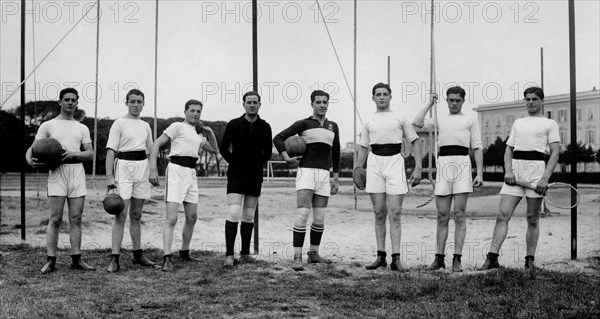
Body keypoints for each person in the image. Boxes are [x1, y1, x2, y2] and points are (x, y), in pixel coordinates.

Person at [478, 87, 560, 270]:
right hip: (515, 172)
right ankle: (492, 258)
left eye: (534, 99)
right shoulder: (519, 123)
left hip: (536, 172)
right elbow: (509, 149)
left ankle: (529, 260)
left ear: (541, 101)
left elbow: (555, 153)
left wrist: (545, 178)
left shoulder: (550, 124)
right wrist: (508, 170)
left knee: (532, 218)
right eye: (527, 99)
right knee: (502, 215)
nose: (530, 102)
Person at [354, 83, 425, 271]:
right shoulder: (369, 120)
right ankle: (380, 256)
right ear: (373, 98)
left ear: (390, 97)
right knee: (379, 212)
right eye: (378, 94)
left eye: (385, 94)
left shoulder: (400, 117)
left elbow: (415, 141)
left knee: (395, 212)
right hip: (375, 163)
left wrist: (418, 168)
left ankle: (396, 258)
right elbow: (363, 147)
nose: (382, 97)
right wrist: (357, 169)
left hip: (395, 162)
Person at [412, 86, 483, 272]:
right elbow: (416, 123)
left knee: (459, 214)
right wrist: (429, 102)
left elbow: (477, 146)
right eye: (450, 100)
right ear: (446, 100)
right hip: (443, 165)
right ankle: (439, 258)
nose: (454, 103)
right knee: (442, 215)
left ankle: (457, 259)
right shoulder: (439, 119)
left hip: (462, 164)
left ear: (463, 101)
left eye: (457, 100)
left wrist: (480, 173)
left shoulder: (470, 119)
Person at [25, 87, 95, 273]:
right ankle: (51, 260)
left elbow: (90, 154)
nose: (70, 102)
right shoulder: (48, 125)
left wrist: (74, 153)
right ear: (60, 102)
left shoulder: (82, 127)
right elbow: (32, 149)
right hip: (57, 173)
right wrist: (29, 161)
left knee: (76, 218)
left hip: (76, 173)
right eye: (67, 99)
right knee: (55, 218)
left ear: (77, 103)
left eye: (73, 99)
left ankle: (76, 259)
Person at [273, 90, 340, 271]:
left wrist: (335, 177)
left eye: (325, 102)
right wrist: (286, 157)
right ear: (312, 104)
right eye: (318, 102)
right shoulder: (303, 123)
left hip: (324, 174)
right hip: (306, 172)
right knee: (302, 214)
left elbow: (336, 152)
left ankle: (313, 254)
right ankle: (297, 257)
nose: (322, 105)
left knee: (319, 218)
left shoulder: (333, 126)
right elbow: (278, 138)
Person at [148, 99, 218, 272]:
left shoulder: (198, 135)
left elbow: (215, 150)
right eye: (192, 110)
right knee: (171, 218)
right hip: (176, 171)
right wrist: (153, 168)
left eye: (198, 111)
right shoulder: (177, 126)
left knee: (192, 216)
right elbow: (157, 143)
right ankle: (166, 257)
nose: (195, 114)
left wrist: (209, 131)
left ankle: (184, 252)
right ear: (185, 111)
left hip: (190, 173)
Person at [105, 89, 157, 272]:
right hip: (124, 167)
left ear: (144, 103)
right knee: (121, 214)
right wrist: (110, 177)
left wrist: (153, 170)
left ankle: (137, 255)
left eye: (139, 102)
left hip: (141, 168)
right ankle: (114, 258)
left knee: (137, 215)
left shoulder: (145, 125)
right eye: (132, 101)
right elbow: (111, 151)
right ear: (126, 102)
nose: (136, 105)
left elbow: (151, 150)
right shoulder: (119, 123)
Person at [219, 91, 272, 267]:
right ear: (243, 104)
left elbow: (268, 152)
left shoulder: (265, 126)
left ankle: (245, 253)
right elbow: (223, 148)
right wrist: (236, 163)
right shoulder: (234, 124)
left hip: (255, 175)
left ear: (259, 105)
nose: (252, 105)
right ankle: (228, 254)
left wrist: (255, 164)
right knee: (234, 212)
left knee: (248, 215)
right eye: (248, 102)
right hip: (236, 174)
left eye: (255, 102)